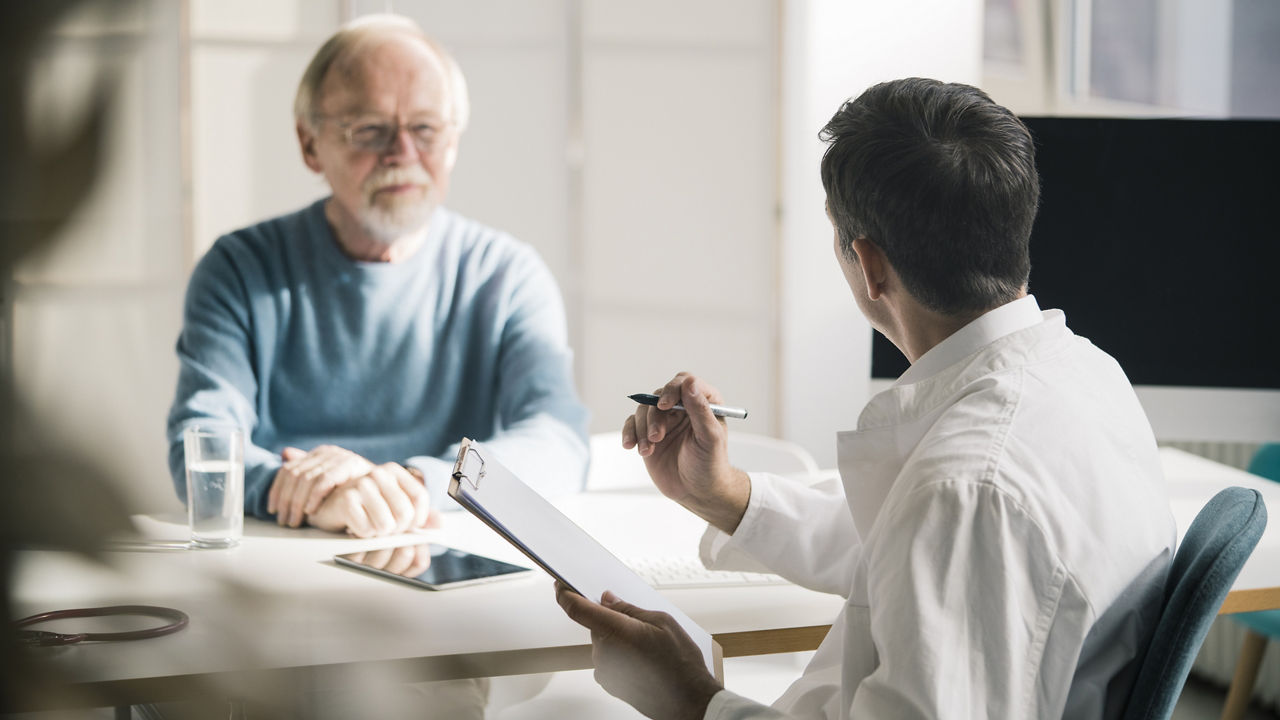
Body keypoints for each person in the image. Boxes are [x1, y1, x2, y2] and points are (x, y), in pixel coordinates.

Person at [554, 78, 1176, 719]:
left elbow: (945, 528)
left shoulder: (966, 492)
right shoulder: (1089, 376)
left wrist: (690, 698)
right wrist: (723, 495)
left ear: (869, 266)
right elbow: (904, 547)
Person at [166, 14, 589, 538]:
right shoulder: (239, 269)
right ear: (309, 144)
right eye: (369, 130)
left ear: (453, 143)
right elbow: (202, 442)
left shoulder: (506, 276)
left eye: (426, 129)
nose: (402, 154)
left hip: (441, 548)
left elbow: (558, 444)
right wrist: (308, 494)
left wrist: (413, 485)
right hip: (283, 549)